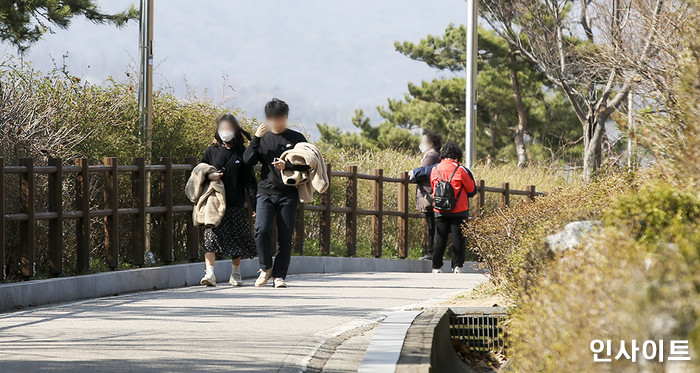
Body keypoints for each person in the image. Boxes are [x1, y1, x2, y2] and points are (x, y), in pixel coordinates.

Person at [243, 98, 309, 288]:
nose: (277, 121)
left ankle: (279, 276)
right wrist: (255, 138)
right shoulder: (262, 138)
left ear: (286, 117)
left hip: (288, 193)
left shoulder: (297, 138)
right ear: (268, 118)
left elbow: (309, 163)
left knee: (285, 236)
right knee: (261, 230)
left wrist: (287, 165)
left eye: (280, 118)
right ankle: (265, 269)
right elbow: (247, 161)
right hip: (265, 192)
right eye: (273, 118)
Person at [199, 114, 258, 287]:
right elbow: (199, 172)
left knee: (236, 240)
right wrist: (210, 176)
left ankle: (236, 273)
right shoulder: (211, 150)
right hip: (214, 203)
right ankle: (209, 274)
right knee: (210, 237)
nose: (225, 132)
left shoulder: (243, 153)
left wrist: (255, 205)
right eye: (222, 128)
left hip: (235, 202)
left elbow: (250, 182)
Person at [429, 141, 476, 274]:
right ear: (457, 155)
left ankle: (436, 267)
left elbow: (434, 189)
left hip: (439, 208)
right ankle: (457, 266)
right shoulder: (460, 170)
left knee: (440, 237)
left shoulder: (434, 169)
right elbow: (471, 189)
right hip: (459, 209)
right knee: (458, 238)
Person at [410, 130, 441, 261]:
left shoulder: (431, 155)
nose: (421, 144)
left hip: (429, 195)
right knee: (432, 224)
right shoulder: (432, 155)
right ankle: (433, 252)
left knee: (432, 225)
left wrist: (412, 175)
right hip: (430, 194)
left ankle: (432, 253)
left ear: (431, 143)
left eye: (424, 141)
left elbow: (422, 173)